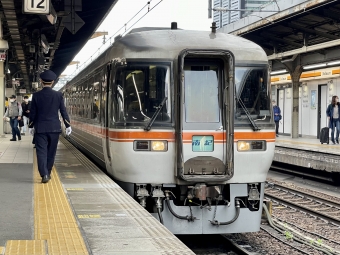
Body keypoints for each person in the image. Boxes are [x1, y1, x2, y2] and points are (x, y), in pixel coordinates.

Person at [28, 70, 72, 183]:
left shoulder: (36, 95)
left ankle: (44, 175)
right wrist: (67, 125)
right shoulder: (58, 95)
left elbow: (33, 112)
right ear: (52, 82)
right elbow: (63, 111)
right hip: (54, 128)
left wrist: (31, 125)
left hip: (40, 128)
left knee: (41, 152)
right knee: (51, 152)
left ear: (41, 81)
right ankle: (48, 171)